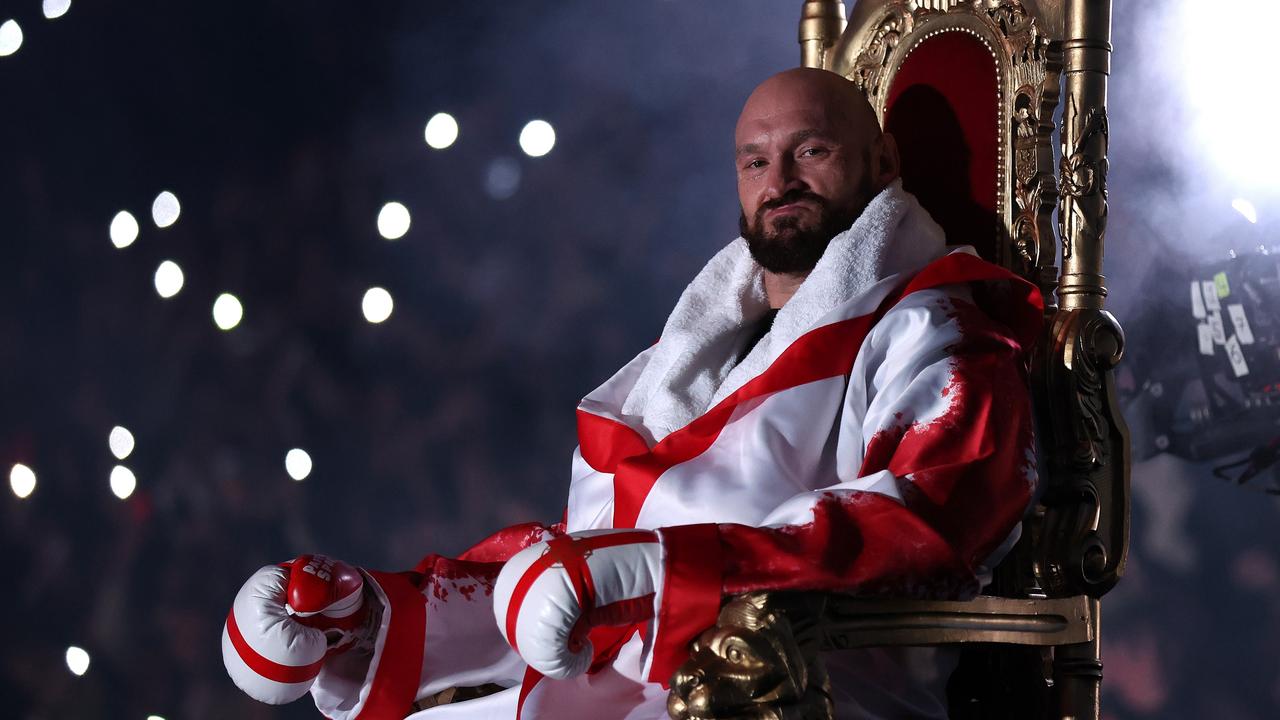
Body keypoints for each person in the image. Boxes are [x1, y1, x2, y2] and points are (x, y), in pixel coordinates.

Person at [221, 67, 1042, 719]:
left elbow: (929, 515)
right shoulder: (699, 346)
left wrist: (661, 571)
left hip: (806, 690)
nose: (779, 180)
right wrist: (380, 616)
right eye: (756, 161)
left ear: (884, 163)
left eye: (811, 151)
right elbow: (593, 547)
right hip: (637, 673)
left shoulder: (936, 326)